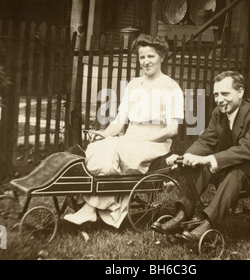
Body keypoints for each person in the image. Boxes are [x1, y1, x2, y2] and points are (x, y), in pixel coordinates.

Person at [151, 70, 250, 241]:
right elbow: (206, 141)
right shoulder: (218, 114)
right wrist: (186, 158)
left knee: (235, 172)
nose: (219, 100)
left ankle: (207, 223)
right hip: (238, 164)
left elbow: (247, 150)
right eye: (216, 94)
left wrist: (207, 158)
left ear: (240, 92)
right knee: (201, 166)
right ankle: (182, 215)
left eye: (225, 94)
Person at [63, 34, 184, 228]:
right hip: (130, 138)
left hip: (155, 143)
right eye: (142, 57)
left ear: (161, 56)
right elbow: (120, 122)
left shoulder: (171, 88)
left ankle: (89, 208)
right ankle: (96, 208)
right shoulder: (133, 85)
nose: (146, 61)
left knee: (117, 152)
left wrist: (143, 139)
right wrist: (106, 134)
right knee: (97, 148)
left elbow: (172, 129)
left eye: (151, 56)